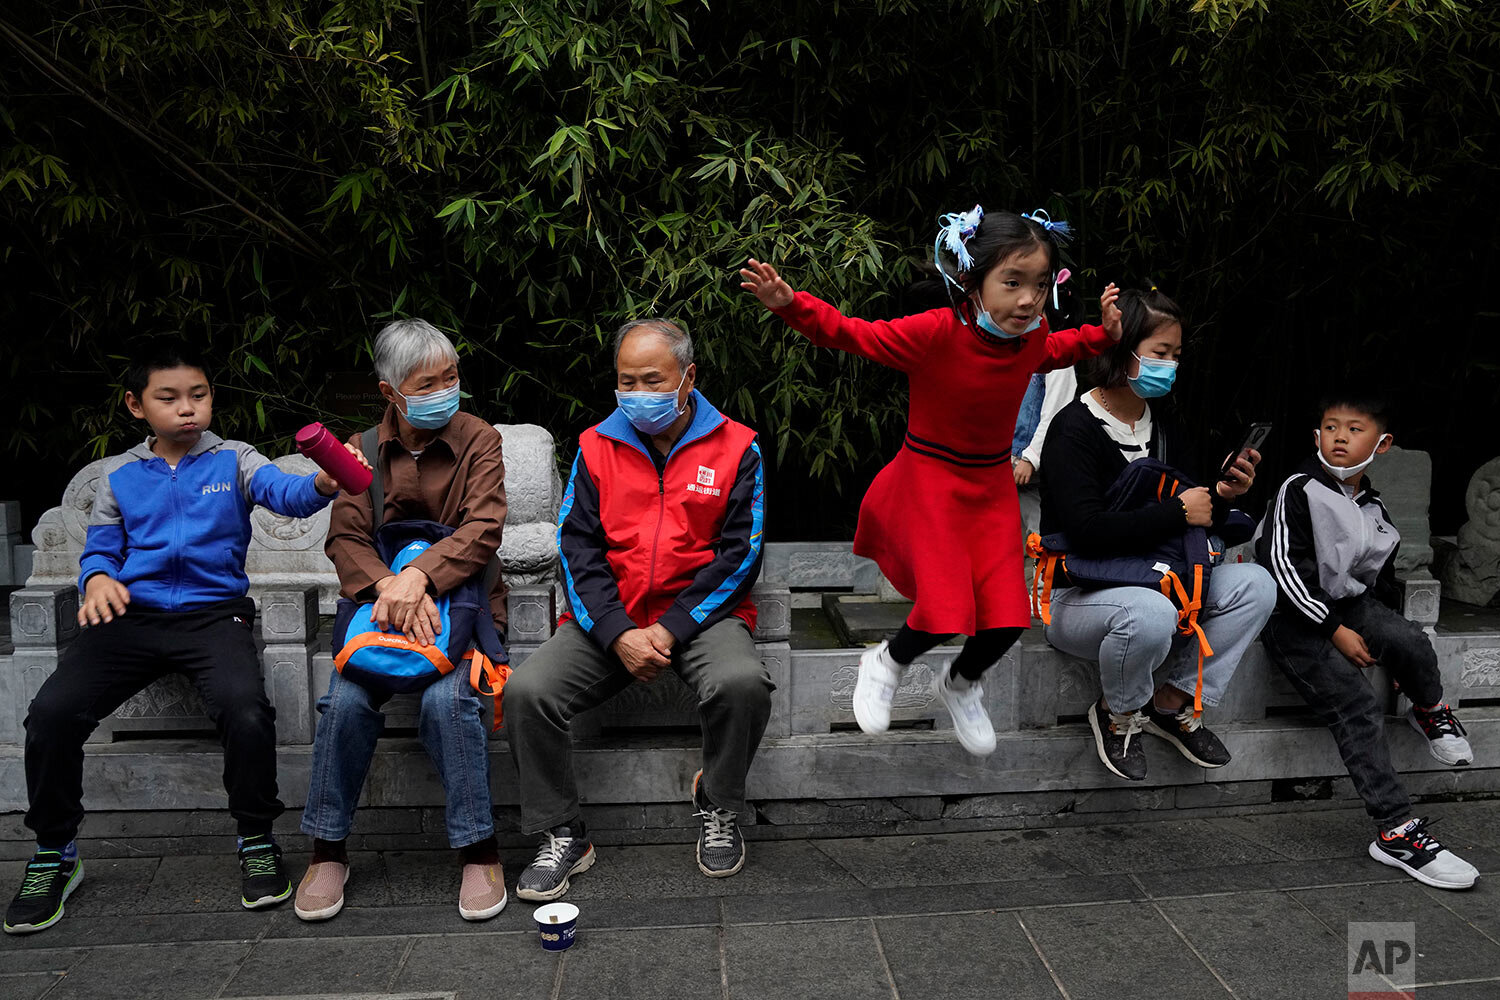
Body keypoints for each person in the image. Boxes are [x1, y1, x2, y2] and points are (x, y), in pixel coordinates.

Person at [740, 207, 1121, 757]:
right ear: (970, 280)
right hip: (930, 482)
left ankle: (961, 683)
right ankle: (886, 662)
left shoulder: (1029, 341)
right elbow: (852, 334)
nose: (1028, 300)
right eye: (1012, 283)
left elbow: (1063, 348)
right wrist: (789, 304)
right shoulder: (935, 333)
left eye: (1039, 286)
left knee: (1009, 617)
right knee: (944, 609)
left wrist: (1103, 336)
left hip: (989, 488)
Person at [5, 339, 355, 935]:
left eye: (198, 395)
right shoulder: (122, 477)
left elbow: (284, 495)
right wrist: (94, 583)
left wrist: (322, 485)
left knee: (246, 710)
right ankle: (55, 853)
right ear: (137, 406)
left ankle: (255, 838)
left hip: (214, 615)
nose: (186, 408)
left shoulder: (236, 461)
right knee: (51, 714)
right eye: (168, 398)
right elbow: (101, 550)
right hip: (129, 619)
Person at [504, 318, 769, 900]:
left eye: (653, 380)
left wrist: (670, 630)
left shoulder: (737, 447)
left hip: (701, 617)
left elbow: (740, 555)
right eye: (627, 381)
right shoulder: (597, 447)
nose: (639, 394)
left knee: (742, 683)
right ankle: (564, 832)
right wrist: (619, 631)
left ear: (688, 376)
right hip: (611, 617)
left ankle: (718, 802)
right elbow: (577, 548)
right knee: (527, 692)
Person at [295, 319, 509, 923]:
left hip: (463, 605)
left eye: (452, 376)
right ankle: (326, 849)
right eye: (429, 382)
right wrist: (392, 585)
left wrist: (422, 577)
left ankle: (479, 849)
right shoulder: (361, 448)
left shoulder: (477, 440)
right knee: (345, 701)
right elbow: (346, 538)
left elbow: (483, 528)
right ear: (392, 392)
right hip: (379, 608)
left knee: (449, 701)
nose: (447, 389)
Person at [1038, 288, 1277, 781]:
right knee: (1150, 613)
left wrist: (1224, 493)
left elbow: (1191, 515)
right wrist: (1175, 511)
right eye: (1160, 353)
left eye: (1176, 355)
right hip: (1081, 595)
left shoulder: (1166, 425)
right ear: (1121, 351)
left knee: (1256, 586)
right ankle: (1118, 712)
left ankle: (1172, 704)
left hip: (1162, 576)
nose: (1170, 365)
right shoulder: (1073, 429)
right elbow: (1085, 531)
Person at [1256, 392, 1478, 889]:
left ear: (1382, 443)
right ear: (1317, 437)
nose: (1340, 436)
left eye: (1354, 429)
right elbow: (1282, 567)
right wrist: (1333, 630)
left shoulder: (1373, 506)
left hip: (1349, 607)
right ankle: (1396, 831)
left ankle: (1429, 711)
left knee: (1411, 638)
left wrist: (1389, 643)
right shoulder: (1298, 489)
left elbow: (1378, 583)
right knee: (1355, 700)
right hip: (1292, 616)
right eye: (1331, 427)